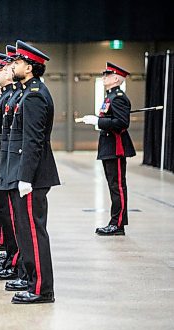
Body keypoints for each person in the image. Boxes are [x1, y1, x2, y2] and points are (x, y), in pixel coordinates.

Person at [4, 40, 60, 304]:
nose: (13, 65)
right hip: (25, 172)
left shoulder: (35, 94)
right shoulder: (29, 91)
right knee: (26, 231)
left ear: (28, 66)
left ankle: (41, 289)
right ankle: (31, 280)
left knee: (34, 232)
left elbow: (33, 140)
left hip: (33, 175)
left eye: (16, 62)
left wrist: (26, 176)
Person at [81, 62, 136, 236]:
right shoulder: (110, 96)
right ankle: (116, 222)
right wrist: (98, 120)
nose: (104, 77)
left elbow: (121, 123)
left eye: (107, 75)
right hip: (109, 146)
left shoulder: (118, 97)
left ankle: (117, 224)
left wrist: (97, 121)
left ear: (116, 79)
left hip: (116, 147)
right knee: (113, 185)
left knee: (117, 187)